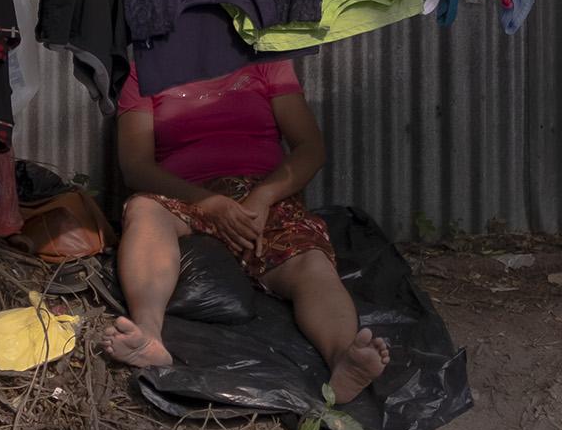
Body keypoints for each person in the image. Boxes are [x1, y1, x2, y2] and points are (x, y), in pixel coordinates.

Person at [99, 57, 390, 408]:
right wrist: (207, 202)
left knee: (310, 263)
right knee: (144, 211)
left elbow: (310, 148)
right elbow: (136, 167)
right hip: (185, 194)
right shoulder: (142, 68)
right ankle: (148, 334)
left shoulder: (266, 60)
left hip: (261, 196)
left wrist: (264, 197)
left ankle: (344, 358)